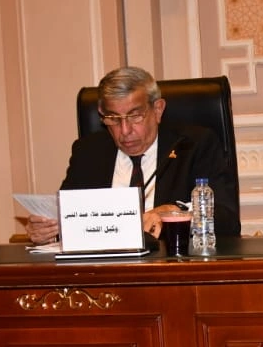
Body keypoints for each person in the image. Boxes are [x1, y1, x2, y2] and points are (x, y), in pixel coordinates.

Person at [26, 66, 240, 243]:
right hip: (101, 270)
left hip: (170, 269)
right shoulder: (88, 152)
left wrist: (176, 213)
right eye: (113, 119)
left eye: (135, 116)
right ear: (102, 114)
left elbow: (227, 220)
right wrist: (47, 230)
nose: (125, 130)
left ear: (158, 110)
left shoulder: (193, 145)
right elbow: (67, 215)